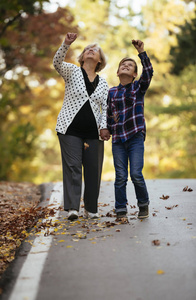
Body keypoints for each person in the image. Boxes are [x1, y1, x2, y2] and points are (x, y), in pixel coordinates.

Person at [53, 32, 110, 221]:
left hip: (93, 133)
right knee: (73, 167)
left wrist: (104, 127)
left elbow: (106, 108)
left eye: (95, 50)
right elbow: (57, 63)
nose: (91, 51)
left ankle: (91, 208)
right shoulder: (72, 71)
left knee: (93, 169)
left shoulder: (103, 83)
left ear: (100, 59)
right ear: (83, 56)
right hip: (69, 129)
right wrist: (66, 43)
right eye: (88, 49)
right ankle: (72, 208)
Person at [107, 39, 153, 219]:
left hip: (135, 136)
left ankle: (143, 204)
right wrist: (107, 129)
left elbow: (148, 72)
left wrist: (141, 52)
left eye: (129, 66)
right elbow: (110, 114)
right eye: (123, 65)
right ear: (118, 72)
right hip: (118, 139)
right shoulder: (111, 92)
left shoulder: (138, 87)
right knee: (120, 176)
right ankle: (120, 209)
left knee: (135, 174)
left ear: (134, 74)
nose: (125, 66)